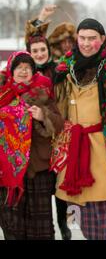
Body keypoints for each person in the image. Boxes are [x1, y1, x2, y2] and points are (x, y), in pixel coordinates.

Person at [52, 18, 106, 240]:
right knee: (79, 225)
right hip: (74, 158)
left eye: (92, 38)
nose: (87, 43)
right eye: (82, 38)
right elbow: (57, 112)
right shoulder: (64, 67)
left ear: (103, 39)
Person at [0, 52, 64, 240]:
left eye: (28, 68)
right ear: (12, 70)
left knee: (41, 226)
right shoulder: (3, 92)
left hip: (38, 169)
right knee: (12, 224)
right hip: (8, 171)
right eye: (19, 67)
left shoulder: (43, 90)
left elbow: (59, 123)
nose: (23, 71)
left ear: (33, 71)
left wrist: (43, 116)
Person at [24, 15, 72, 240]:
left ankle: (65, 222)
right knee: (43, 189)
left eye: (42, 50)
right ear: (30, 53)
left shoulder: (59, 70)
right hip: (40, 138)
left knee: (62, 185)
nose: (40, 54)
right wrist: (40, 18)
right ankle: (48, 226)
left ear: (48, 50)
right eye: (35, 51)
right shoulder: (25, 73)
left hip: (61, 131)